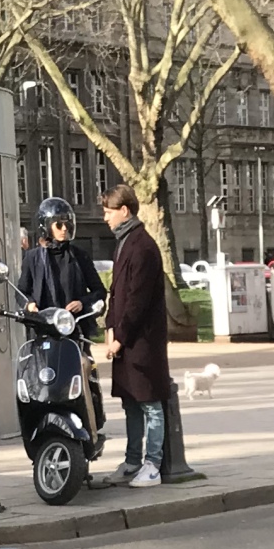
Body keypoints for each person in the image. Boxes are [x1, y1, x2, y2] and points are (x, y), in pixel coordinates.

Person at [100, 183, 170, 490]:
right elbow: (117, 295)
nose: (105, 218)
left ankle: (152, 465)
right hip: (128, 340)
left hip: (143, 341)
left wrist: (119, 336)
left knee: (149, 403)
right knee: (130, 400)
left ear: (124, 211)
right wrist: (110, 329)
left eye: (108, 212)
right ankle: (131, 461)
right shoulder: (125, 241)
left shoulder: (142, 246)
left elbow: (136, 300)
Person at [19, 196, 105, 442]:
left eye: (67, 223)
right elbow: (21, 290)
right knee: (40, 378)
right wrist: (29, 304)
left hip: (75, 331)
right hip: (44, 333)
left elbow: (99, 290)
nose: (64, 229)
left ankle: (91, 428)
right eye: (58, 224)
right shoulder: (33, 258)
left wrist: (84, 303)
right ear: (46, 226)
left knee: (84, 375)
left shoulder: (79, 256)